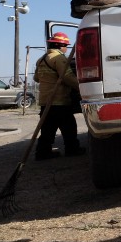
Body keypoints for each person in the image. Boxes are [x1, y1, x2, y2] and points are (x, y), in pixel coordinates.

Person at [33, 32, 84, 160]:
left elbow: (37, 78)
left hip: (46, 102)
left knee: (47, 129)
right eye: (65, 45)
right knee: (69, 127)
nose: (66, 48)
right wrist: (82, 88)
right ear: (60, 45)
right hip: (59, 100)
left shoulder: (41, 59)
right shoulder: (60, 59)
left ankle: (42, 152)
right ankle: (72, 149)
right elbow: (67, 78)